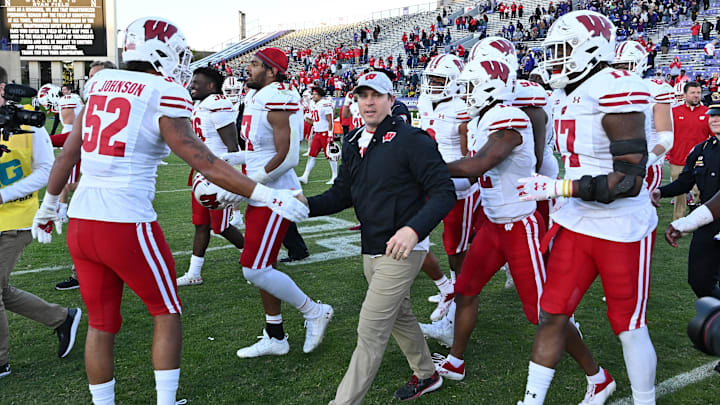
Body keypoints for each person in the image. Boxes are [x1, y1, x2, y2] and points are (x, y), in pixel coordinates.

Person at [31, 18, 309, 405]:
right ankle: (166, 401)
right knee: (165, 311)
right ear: (158, 51)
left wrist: (48, 205)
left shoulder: (99, 82)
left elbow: (71, 151)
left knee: (101, 323)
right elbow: (202, 159)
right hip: (125, 221)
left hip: (81, 220)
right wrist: (266, 194)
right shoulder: (163, 89)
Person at [517, 11, 658, 405]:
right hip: (576, 221)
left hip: (620, 227)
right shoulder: (565, 94)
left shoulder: (617, 89)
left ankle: (645, 400)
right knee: (553, 313)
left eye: (562, 50)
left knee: (628, 326)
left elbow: (629, 181)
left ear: (590, 49)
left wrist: (556, 186)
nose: (553, 59)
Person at [308, 71, 456, 404]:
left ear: (391, 100)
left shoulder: (411, 138)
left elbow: (445, 192)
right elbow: (341, 194)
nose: (369, 102)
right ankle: (427, 373)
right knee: (400, 316)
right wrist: (303, 206)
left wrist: (413, 229)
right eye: (363, 95)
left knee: (370, 331)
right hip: (372, 248)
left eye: (376, 95)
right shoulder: (353, 140)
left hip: (405, 250)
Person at [222, 47, 333, 359]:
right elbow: (260, 149)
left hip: (277, 196)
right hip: (263, 192)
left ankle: (315, 311)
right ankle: (275, 335)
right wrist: (232, 159)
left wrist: (248, 184)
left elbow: (288, 157)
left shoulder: (278, 96)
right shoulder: (258, 96)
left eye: (255, 64)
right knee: (264, 267)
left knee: (254, 270)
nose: (248, 68)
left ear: (272, 71)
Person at [0, 86, 82, 380]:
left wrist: (4, 195)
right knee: (2, 289)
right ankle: (61, 317)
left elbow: (47, 170)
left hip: (16, 219)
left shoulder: (29, 124)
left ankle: (1, 362)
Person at [415, 54, 475, 329]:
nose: (434, 84)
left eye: (440, 79)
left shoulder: (463, 107)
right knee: (414, 233)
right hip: (430, 179)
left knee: (456, 248)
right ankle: (446, 287)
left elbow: (469, 156)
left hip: (457, 184)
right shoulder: (426, 101)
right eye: (431, 79)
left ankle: (455, 307)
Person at [176, 68, 245, 286]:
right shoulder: (202, 104)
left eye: (197, 82)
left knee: (221, 227)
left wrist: (230, 179)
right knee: (201, 224)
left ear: (211, 86)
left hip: (218, 172)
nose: (192, 85)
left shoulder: (218, 103)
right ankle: (194, 273)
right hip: (203, 171)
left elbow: (232, 146)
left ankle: (255, 258)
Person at [55, 60, 116, 291]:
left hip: (116, 181)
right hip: (93, 177)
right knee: (84, 229)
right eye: (90, 76)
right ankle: (83, 273)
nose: (92, 81)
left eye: (96, 75)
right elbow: (76, 137)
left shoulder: (120, 104)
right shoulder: (93, 104)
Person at [653, 104, 720, 299]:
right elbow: (685, 182)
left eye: (719, 116)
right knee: (699, 281)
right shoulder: (702, 150)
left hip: (705, 216)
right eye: (712, 115)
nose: (715, 119)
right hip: (707, 221)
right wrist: (660, 192)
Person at [612, 41, 674, 194]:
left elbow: (666, 139)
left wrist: (645, 162)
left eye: (626, 65)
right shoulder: (610, 89)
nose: (621, 71)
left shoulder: (654, 89)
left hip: (647, 163)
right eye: (617, 66)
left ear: (640, 63)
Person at [668, 82, 712, 220]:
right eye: (693, 93)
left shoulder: (707, 113)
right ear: (685, 94)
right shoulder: (674, 113)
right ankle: (678, 222)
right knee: (679, 195)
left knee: (701, 194)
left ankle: (699, 221)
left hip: (700, 161)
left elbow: (713, 136)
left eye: (698, 93)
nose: (696, 96)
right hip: (678, 159)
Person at [298, 87, 338, 185]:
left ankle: (335, 176)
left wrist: (330, 134)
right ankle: (305, 176)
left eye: (315, 94)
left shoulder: (325, 104)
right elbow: (314, 121)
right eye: (313, 94)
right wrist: (306, 118)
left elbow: (330, 120)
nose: (313, 96)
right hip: (317, 133)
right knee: (312, 155)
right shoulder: (314, 104)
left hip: (325, 133)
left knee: (330, 156)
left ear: (320, 95)